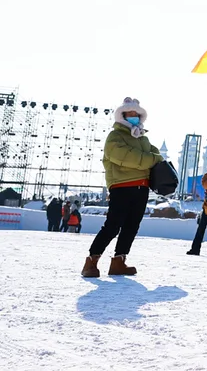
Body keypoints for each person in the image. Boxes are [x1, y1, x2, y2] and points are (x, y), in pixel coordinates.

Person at [81, 97, 163, 278]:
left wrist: (149, 159)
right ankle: (91, 261)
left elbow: (157, 155)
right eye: (130, 114)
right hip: (121, 186)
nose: (134, 117)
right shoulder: (115, 136)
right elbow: (126, 157)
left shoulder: (143, 138)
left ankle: (119, 261)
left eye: (136, 114)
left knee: (132, 226)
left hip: (142, 186)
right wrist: (149, 159)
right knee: (113, 225)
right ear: (122, 115)